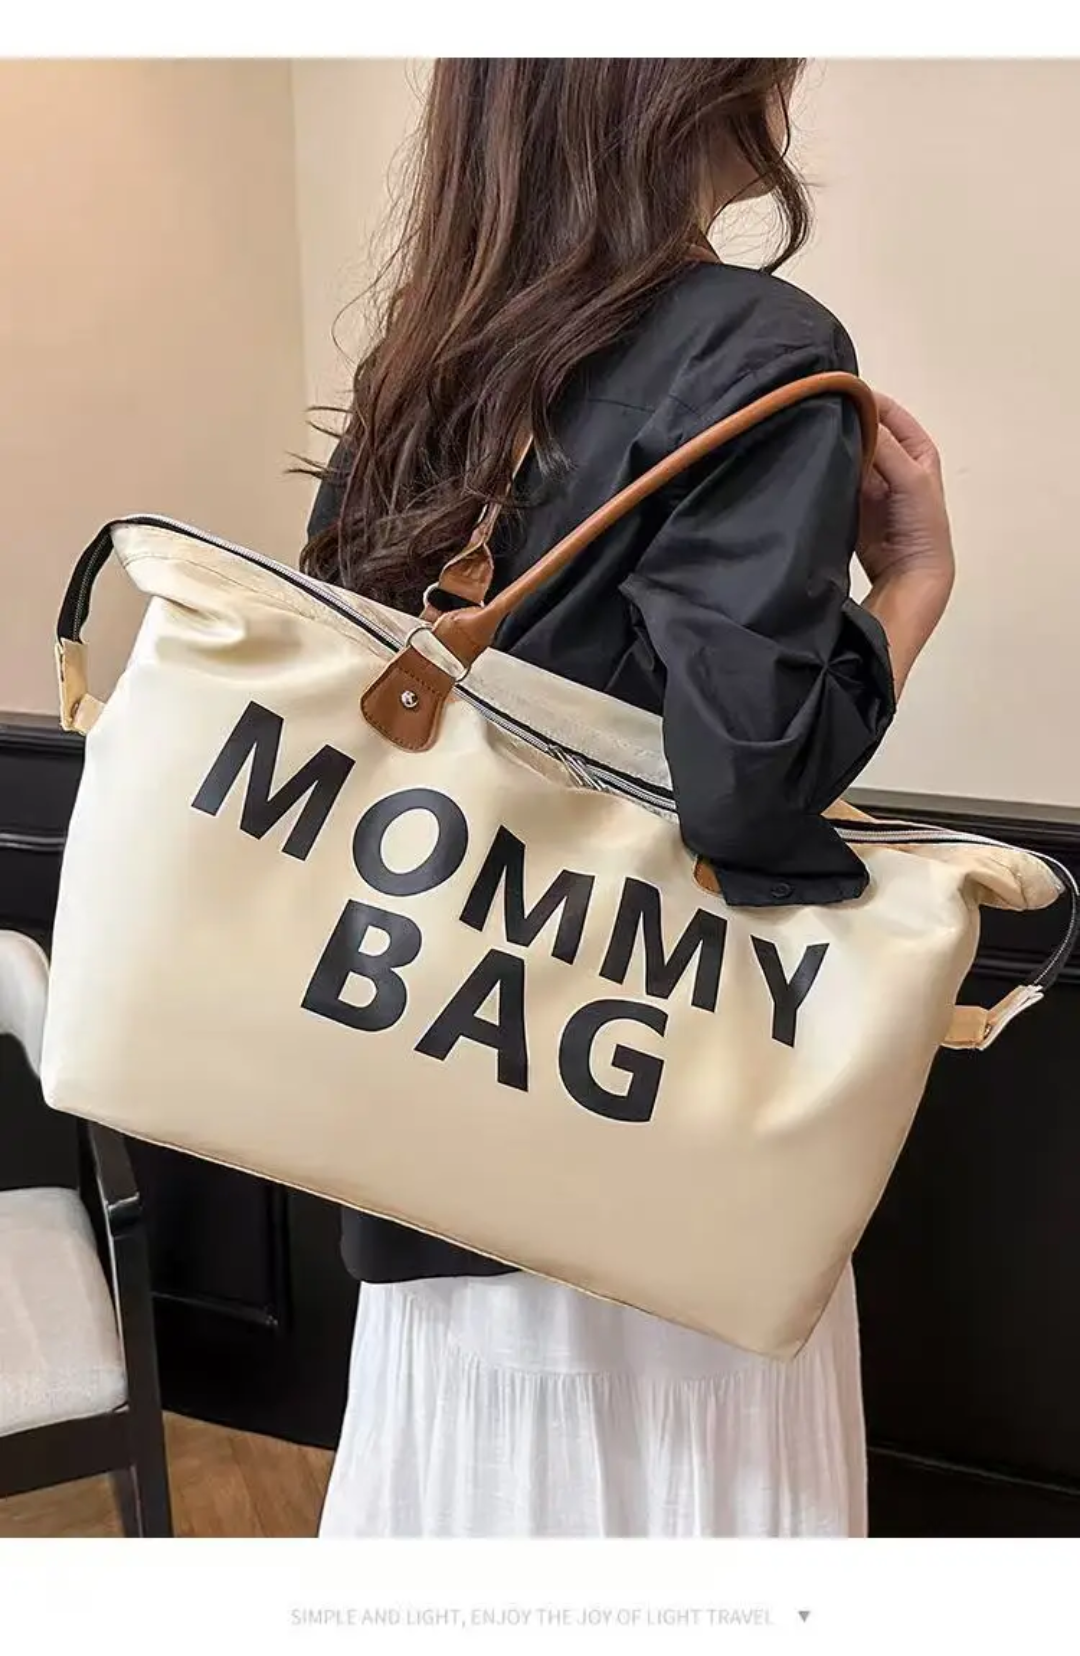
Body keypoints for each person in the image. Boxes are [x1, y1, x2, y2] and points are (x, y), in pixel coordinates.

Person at [304, 58, 955, 1539]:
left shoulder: (428, 361)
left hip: (426, 1126)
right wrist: (910, 590)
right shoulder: (762, 349)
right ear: (690, 88)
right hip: (650, 1146)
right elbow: (747, 785)